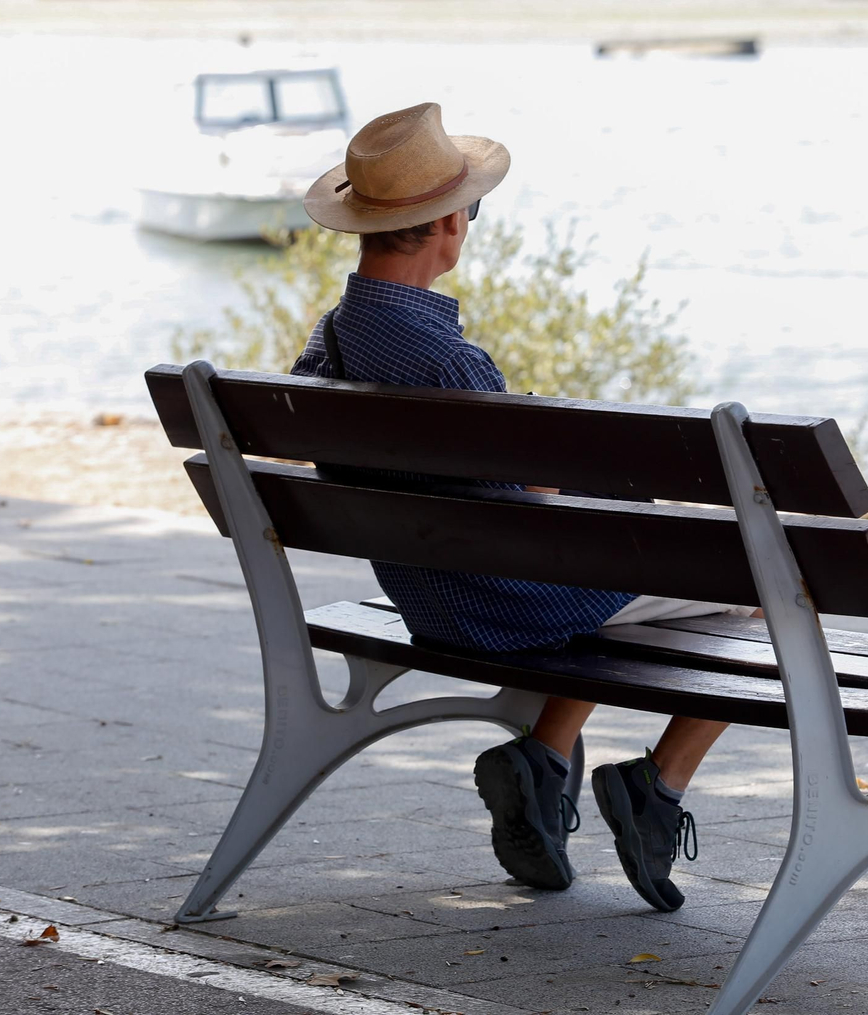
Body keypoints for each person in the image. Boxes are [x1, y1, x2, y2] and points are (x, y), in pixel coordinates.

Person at [292, 102, 751, 912]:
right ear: (447, 227)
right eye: (470, 209)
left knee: (640, 577)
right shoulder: (448, 363)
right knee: (756, 578)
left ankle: (545, 759)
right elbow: (539, 507)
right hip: (503, 603)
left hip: (427, 594)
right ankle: (657, 786)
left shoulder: (328, 347)